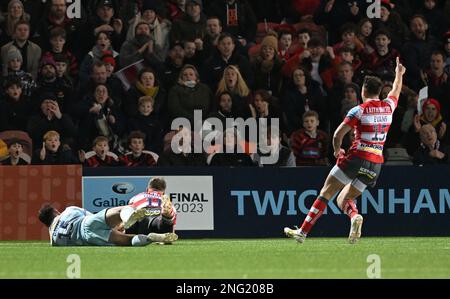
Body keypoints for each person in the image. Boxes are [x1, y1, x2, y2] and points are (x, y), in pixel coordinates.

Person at [284, 57, 406, 244]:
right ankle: (355, 216)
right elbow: (396, 89)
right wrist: (399, 73)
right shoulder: (389, 107)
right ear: (380, 91)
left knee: (326, 192)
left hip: (357, 157)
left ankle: (302, 232)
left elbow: (337, 135)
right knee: (343, 199)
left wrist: (336, 150)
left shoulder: (358, 110)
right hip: (375, 165)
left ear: (363, 91)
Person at [38, 198, 178, 247]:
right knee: (124, 209)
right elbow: (91, 216)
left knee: (128, 241)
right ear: (56, 211)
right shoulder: (68, 211)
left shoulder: (53, 240)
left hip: (89, 239)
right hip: (86, 223)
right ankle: (126, 217)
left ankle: (151, 238)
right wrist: (116, 225)